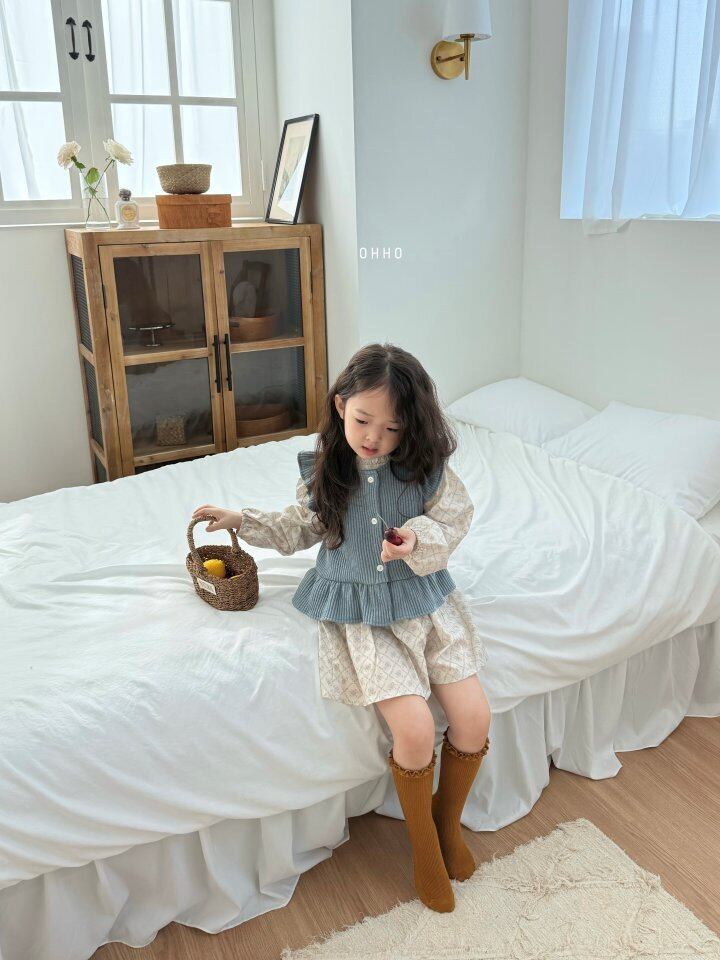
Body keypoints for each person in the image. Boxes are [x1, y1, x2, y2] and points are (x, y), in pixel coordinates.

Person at [192, 342, 491, 913]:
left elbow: (454, 522)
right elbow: (298, 527)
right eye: (362, 420)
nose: (374, 437)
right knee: (414, 731)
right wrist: (242, 520)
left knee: (474, 718)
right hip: (361, 615)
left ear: (412, 426)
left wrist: (416, 540)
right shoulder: (327, 470)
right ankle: (424, 847)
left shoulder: (427, 471)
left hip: (424, 602)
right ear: (339, 406)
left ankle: (446, 825)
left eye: (392, 427)